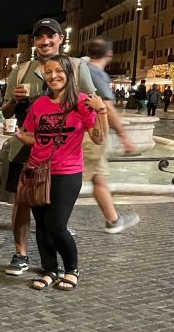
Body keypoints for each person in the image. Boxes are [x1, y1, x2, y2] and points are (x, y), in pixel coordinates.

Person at [0, 18, 97, 276]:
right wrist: (14, 100)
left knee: (51, 212)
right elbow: (6, 111)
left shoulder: (75, 66)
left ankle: (58, 263)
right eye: (40, 37)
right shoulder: (22, 69)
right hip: (24, 146)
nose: (45, 41)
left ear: (60, 39)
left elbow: (91, 103)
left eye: (50, 36)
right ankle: (21, 254)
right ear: (34, 42)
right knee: (22, 203)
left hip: (60, 151)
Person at [16, 55, 108, 291]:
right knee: (42, 225)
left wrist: (102, 112)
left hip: (66, 172)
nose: (53, 75)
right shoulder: (39, 104)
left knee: (56, 224)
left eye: (58, 71)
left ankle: (71, 269)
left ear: (68, 73)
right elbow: (30, 135)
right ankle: (49, 270)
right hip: (37, 170)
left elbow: (99, 138)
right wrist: (20, 136)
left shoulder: (83, 102)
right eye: (48, 71)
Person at [83, 39, 140, 233]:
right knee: (71, 179)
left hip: (89, 136)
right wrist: (124, 135)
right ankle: (52, 222)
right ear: (109, 55)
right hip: (91, 136)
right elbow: (106, 106)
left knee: (99, 178)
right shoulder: (96, 73)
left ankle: (113, 220)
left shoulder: (84, 69)